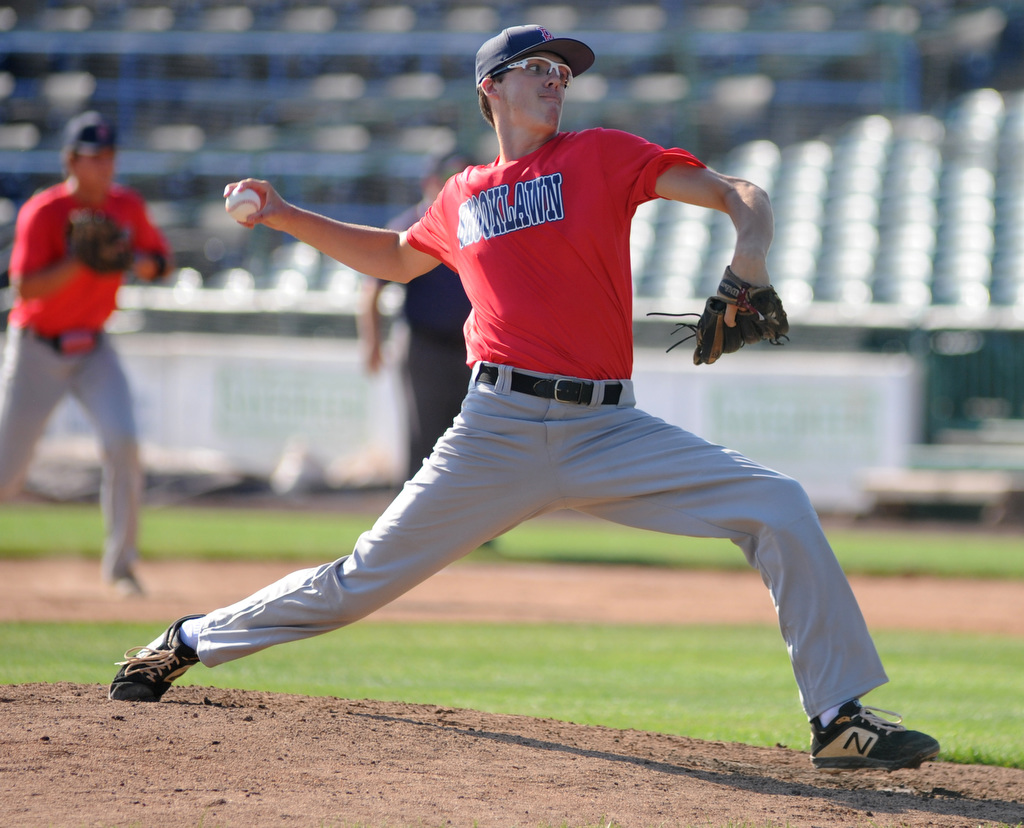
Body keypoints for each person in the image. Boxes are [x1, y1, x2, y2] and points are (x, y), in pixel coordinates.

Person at [108, 25, 939, 773]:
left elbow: (739, 192)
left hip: (607, 428)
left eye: (562, 70)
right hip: (495, 430)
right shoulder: (463, 195)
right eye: (534, 67)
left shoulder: (601, 155)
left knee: (780, 504)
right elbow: (398, 258)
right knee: (359, 579)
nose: (555, 79)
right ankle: (186, 640)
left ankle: (838, 719)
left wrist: (750, 256)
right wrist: (287, 215)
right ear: (490, 90)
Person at [0, 111, 172, 596]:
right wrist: (79, 263)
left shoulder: (126, 206)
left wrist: (131, 259)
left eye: (110, 156)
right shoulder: (44, 211)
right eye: (95, 157)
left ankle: (121, 568)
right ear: (72, 160)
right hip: (38, 347)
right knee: (6, 476)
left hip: (94, 347)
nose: (105, 166)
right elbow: (25, 287)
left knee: (123, 443)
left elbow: (161, 263)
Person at [357, 152, 474, 481]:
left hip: (474, 351)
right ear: (430, 182)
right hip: (426, 347)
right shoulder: (414, 225)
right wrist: (373, 343)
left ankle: (478, 531)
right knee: (426, 440)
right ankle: (418, 529)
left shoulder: (484, 225)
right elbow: (372, 289)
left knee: (476, 441)